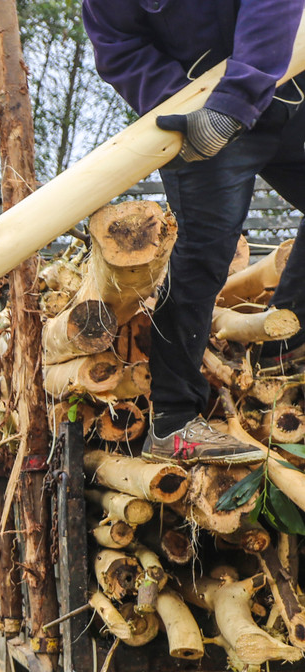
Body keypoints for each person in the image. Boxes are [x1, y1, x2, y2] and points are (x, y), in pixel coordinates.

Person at [83, 0, 305, 464]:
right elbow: (119, 48)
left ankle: (285, 350)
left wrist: (236, 99)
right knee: (203, 257)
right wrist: (190, 103)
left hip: (289, 81)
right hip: (201, 120)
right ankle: (173, 422)